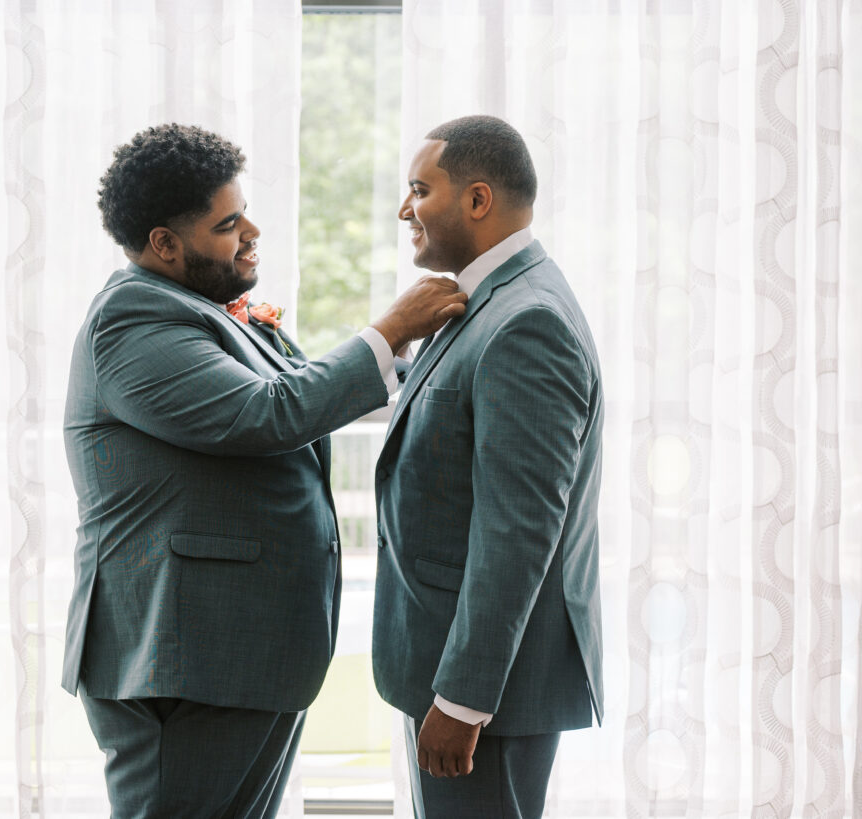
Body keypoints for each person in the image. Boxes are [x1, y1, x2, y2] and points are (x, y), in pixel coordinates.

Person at [61, 123, 467, 818]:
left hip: (237, 660)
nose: (252, 230)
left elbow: (300, 386)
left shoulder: (201, 312)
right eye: (227, 223)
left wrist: (421, 361)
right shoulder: (132, 321)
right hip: (185, 664)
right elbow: (267, 412)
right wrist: (391, 326)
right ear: (164, 244)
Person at [371, 115, 604, 818]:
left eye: (419, 189)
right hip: (451, 670)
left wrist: (464, 697)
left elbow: (519, 527)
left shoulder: (527, 320)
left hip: (484, 694)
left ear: (477, 200)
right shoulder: (488, 301)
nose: (405, 209)